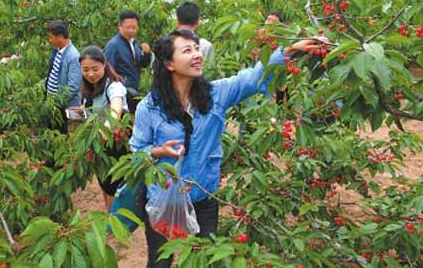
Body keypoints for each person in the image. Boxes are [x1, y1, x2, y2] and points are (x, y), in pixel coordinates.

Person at [130, 29, 322, 267]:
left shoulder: (215, 94)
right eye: (187, 50)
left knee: (208, 259)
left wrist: (289, 51)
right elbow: (136, 152)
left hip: (204, 194)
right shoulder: (150, 107)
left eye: (197, 48)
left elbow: (250, 78)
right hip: (165, 197)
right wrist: (158, 152)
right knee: (160, 262)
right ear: (169, 63)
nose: (197, 55)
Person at [71, 45, 129, 210]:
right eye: (85, 69)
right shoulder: (89, 87)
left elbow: (115, 109)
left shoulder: (114, 86)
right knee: (104, 182)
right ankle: (108, 213)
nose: (90, 74)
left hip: (114, 145)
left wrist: (105, 130)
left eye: (95, 69)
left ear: (104, 65)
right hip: (99, 146)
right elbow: (95, 107)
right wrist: (83, 112)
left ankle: (113, 222)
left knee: (112, 185)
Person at [104, 10, 152, 113]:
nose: (132, 30)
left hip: (132, 93)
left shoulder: (133, 43)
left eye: (134, 27)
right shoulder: (113, 46)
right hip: (120, 95)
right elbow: (107, 71)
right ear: (119, 26)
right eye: (129, 27)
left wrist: (147, 53)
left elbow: (142, 64)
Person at [45, 20, 82, 134]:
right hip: (52, 104)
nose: (49, 40)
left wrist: (56, 101)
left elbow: (73, 86)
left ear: (60, 37)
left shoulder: (73, 56)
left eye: (51, 37)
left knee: (61, 136)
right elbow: (53, 73)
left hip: (62, 106)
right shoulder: (57, 51)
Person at [176, 1, 215, 67]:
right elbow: (211, 73)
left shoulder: (164, 43)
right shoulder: (206, 46)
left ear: (177, 21)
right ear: (198, 21)